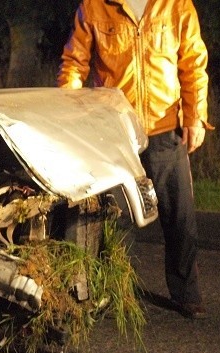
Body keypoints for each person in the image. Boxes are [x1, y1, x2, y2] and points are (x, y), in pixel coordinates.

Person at [58, 0, 212, 319]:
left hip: (165, 127)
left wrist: (196, 117)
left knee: (179, 215)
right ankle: (112, 290)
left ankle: (186, 293)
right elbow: (75, 63)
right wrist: (68, 115)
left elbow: (193, 63)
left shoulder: (177, 5)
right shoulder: (94, 6)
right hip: (116, 129)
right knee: (116, 218)